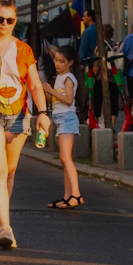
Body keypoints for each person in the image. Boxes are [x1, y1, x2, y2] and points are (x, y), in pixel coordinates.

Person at [0, 0, 49, 249]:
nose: (4, 24)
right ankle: (5, 227)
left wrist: (43, 113)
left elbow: (33, 84)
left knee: (9, 171)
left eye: (9, 20)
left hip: (19, 115)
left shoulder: (23, 49)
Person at [44, 46, 83, 209]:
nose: (57, 64)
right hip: (60, 118)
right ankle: (68, 196)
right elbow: (53, 99)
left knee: (65, 158)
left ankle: (76, 194)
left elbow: (67, 99)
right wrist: (45, 91)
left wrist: (51, 91)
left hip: (67, 118)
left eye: (61, 61)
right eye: (56, 60)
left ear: (70, 63)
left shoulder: (69, 77)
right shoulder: (59, 77)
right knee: (64, 159)